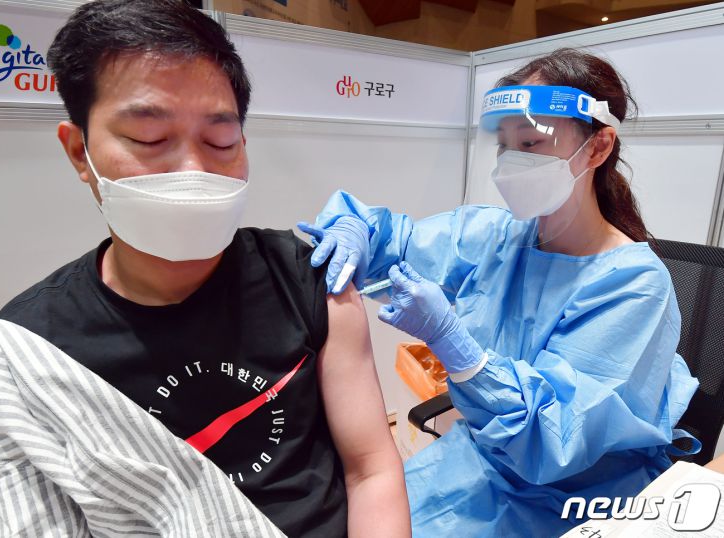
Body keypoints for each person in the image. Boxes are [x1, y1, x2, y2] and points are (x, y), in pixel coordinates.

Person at [0, 1, 410, 537]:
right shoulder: (26, 359)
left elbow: (371, 469)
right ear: (78, 152)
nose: (193, 170)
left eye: (220, 141)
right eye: (149, 139)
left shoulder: (310, 279)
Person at [298, 48, 699, 537]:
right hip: (483, 463)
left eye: (531, 143)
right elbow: (393, 241)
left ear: (597, 148)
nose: (511, 163)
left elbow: (555, 440)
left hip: (574, 496)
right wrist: (354, 229)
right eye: (505, 146)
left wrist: (458, 350)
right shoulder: (497, 236)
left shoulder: (635, 285)